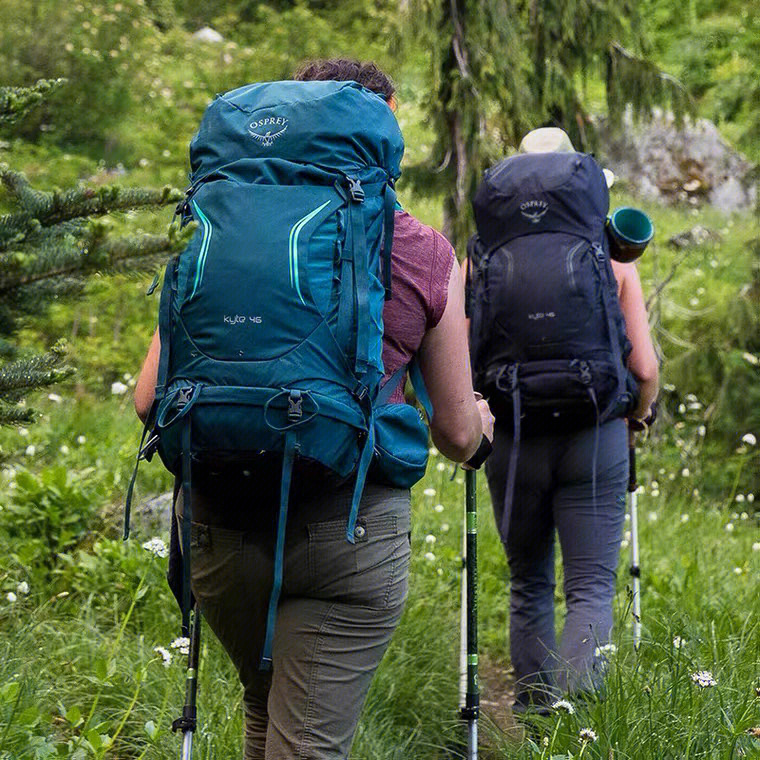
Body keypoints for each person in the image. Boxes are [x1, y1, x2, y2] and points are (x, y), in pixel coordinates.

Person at [134, 59, 494, 760]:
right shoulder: (421, 249)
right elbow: (455, 430)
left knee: (267, 714)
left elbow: (149, 400)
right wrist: (482, 426)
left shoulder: (212, 229)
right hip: (347, 530)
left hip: (221, 525)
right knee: (308, 743)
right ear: (382, 128)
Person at [468, 127, 658, 711]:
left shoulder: (481, 256)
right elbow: (644, 368)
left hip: (514, 432)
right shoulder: (610, 257)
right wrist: (639, 418)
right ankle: (576, 731)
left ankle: (531, 722)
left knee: (529, 584)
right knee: (591, 589)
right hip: (594, 429)